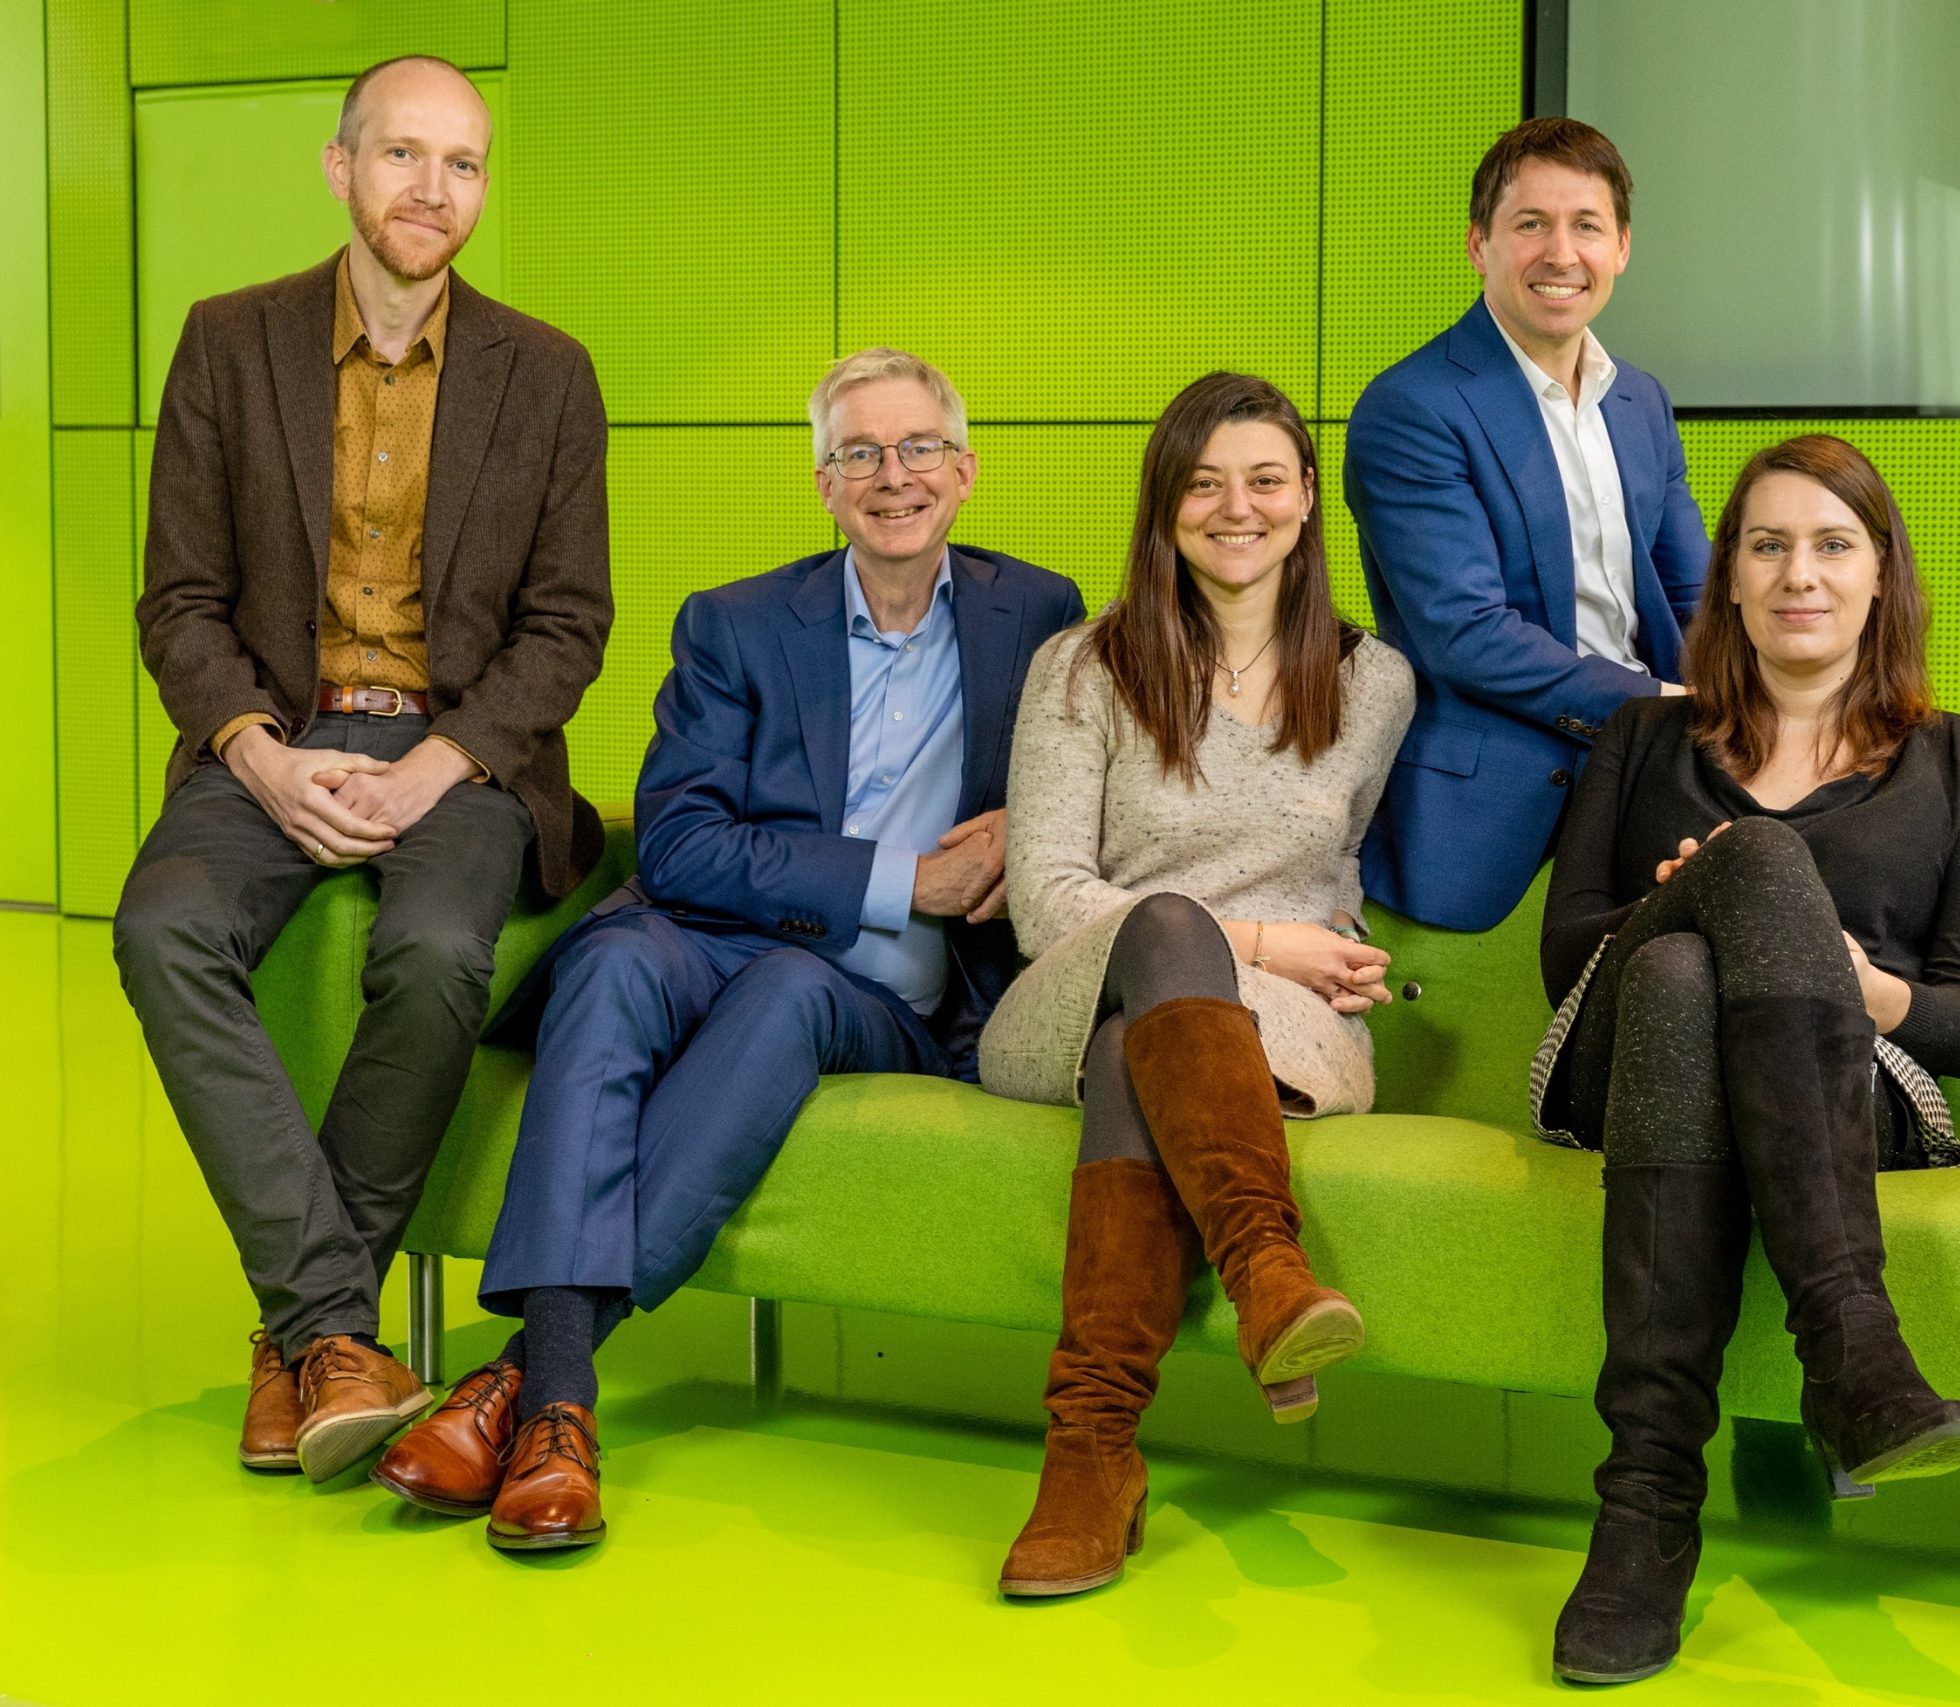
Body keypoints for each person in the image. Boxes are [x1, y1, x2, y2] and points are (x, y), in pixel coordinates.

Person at [370, 350, 1085, 1551]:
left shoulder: (1041, 617)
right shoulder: (738, 624)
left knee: (792, 992)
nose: (891, 476)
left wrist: (1041, 813)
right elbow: (685, 841)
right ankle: (557, 1409)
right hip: (707, 940)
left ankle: (527, 1384)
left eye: (917, 449)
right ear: (822, 483)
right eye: (859, 453)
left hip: (885, 1001)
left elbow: (1110, 765)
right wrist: (901, 879)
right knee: (608, 961)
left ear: (965, 472)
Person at [113, 54, 612, 1484]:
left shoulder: (550, 372)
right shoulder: (226, 341)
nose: (432, 191)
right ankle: (336, 1321)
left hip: (460, 754)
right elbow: (181, 601)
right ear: (341, 168)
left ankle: (301, 1344)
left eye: (462, 164)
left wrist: (436, 765)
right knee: (160, 931)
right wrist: (263, 759)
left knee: (442, 950)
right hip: (275, 729)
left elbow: (568, 625)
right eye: (403, 156)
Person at [1535, 435, 1960, 1685]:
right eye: (1767, 546)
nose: (1797, 572)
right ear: (1731, 582)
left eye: (1830, 545)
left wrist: (1841, 975)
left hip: (1852, 1083)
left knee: (1684, 969)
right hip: (1607, 1064)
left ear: (1880, 578)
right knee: (1727, 886)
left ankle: (1643, 1509)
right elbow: (1565, 957)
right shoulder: (1641, 738)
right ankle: (1851, 1351)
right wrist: (1703, 897)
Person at [978, 372, 1414, 1598]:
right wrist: (1262, 943)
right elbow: (1045, 900)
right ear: (1164, 506)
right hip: (1074, 988)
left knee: (1144, 1049)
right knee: (1161, 939)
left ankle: (1091, 1454)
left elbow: (1339, 865)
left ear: (1307, 498)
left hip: (1282, 1029)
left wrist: (1274, 962)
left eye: (1265, 478)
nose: (1237, 506)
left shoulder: (1374, 682)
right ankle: (1267, 1274)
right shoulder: (1084, 668)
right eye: (1204, 481)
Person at [1343, 116, 1708, 931]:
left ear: (1621, 248)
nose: (1561, 252)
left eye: (1587, 226)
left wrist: (1749, 700)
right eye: (1530, 224)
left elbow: (1695, 592)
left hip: (1657, 755)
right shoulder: (1412, 408)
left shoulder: (1639, 400)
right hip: (1504, 785)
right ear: (1479, 243)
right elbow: (1467, 636)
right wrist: (1662, 704)